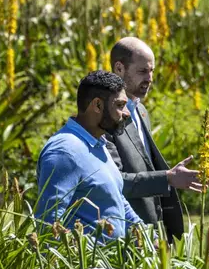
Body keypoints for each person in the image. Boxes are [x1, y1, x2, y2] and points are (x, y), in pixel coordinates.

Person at [106, 37, 202, 243]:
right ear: (119, 69)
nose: (150, 78)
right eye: (142, 71)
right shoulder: (105, 118)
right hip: (126, 233)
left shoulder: (140, 110)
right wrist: (167, 178)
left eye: (152, 71)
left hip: (153, 231)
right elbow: (112, 181)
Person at [35, 70, 144, 241]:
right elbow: (49, 223)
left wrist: (146, 236)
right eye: (120, 105)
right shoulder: (65, 151)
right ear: (97, 105)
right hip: (85, 266)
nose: (126, 113)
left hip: (110, 265)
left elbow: (116, 199)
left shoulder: (99, 143)